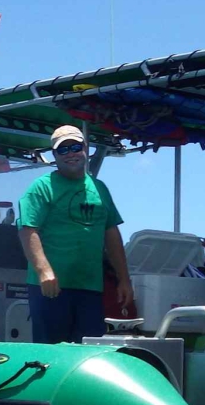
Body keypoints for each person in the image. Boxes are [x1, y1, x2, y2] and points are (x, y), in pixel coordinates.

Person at [17, 125, 134, 344]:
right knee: (50, 355)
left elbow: (111, 234)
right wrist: (44, 271)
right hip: (51, 287)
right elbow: (27, 230)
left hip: (90, 288)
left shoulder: (100, 188)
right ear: (55, 155)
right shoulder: (41, 187)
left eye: (75, 147)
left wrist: (124, 279)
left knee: (87, 351)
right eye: (63, 150)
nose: (71, 154)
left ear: (85, 149)